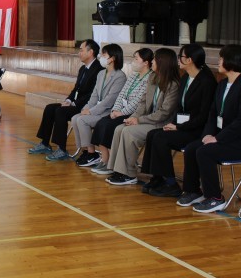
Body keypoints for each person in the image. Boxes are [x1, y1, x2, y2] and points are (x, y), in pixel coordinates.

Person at [178, 44, 241, 213]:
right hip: (223, 137)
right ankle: (193, 191)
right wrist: (207, 134)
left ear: (232, 60)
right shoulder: (222, 84)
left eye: (221, 58)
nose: (218, 62)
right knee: (193, 148)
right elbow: (213, 113)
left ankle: (215, 198)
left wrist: (217, 138)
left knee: (205, 152)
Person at [141, 43, 217, 197]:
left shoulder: (207, 82)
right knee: (153, 134)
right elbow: (179, 107)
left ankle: (170, 183)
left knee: (161, 138)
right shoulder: (185, 78)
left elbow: (203, 116)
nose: (178, 60)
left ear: (189, 60)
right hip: (182, 126)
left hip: (196, 130)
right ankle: (157, 177)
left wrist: (179, 127)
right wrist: (174, 124)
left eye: (181, 57)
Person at [105, 48, 180, 185]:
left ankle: (129, 174)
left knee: (129, 132)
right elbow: (143, 103)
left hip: (161, 123)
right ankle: (117, 169)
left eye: (155, 59)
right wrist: (132, 118)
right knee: (120, 128)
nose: (152, 61)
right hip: (148, 120)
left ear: (163, 62)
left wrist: (138, 120)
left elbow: (164, 112)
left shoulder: (173, 84)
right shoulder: (153, 78)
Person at [27, 39, 102, 161]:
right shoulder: (82, 69)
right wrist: (68, 100)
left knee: (60, 112)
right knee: (50, 108)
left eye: (81, 50)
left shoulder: (99, 70)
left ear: (90, 52)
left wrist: (74, 103)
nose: (79, 53)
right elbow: (76, 89)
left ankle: (61, 149)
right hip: (75, 103)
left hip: (86, 106)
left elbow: (92, 94)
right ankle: (45, 143)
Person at [87, 48, 154, 175]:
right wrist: (115, 109)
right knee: (102, 122)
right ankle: (104, 159)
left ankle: (111, 163)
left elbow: (139, 101)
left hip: (133, 113)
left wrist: (122, 112)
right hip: (120, 110)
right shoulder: (133, 76)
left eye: (136, 59)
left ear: (146, 63)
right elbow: (122, 94)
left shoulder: (150, 78)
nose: (133, 62)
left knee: (110, 126)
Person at [71, 44, 127, 166]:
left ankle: (92, 154)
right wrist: (86, 108)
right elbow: (94, 95)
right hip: (97, 108)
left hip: (108, 111)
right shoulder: (101, 73)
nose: (100, 57)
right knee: (75, 118)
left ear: (112, 58)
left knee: (82, 120)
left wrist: (90, 112)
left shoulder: (120, 76)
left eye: (104, 55)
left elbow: (109, 100)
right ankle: (85, 150)